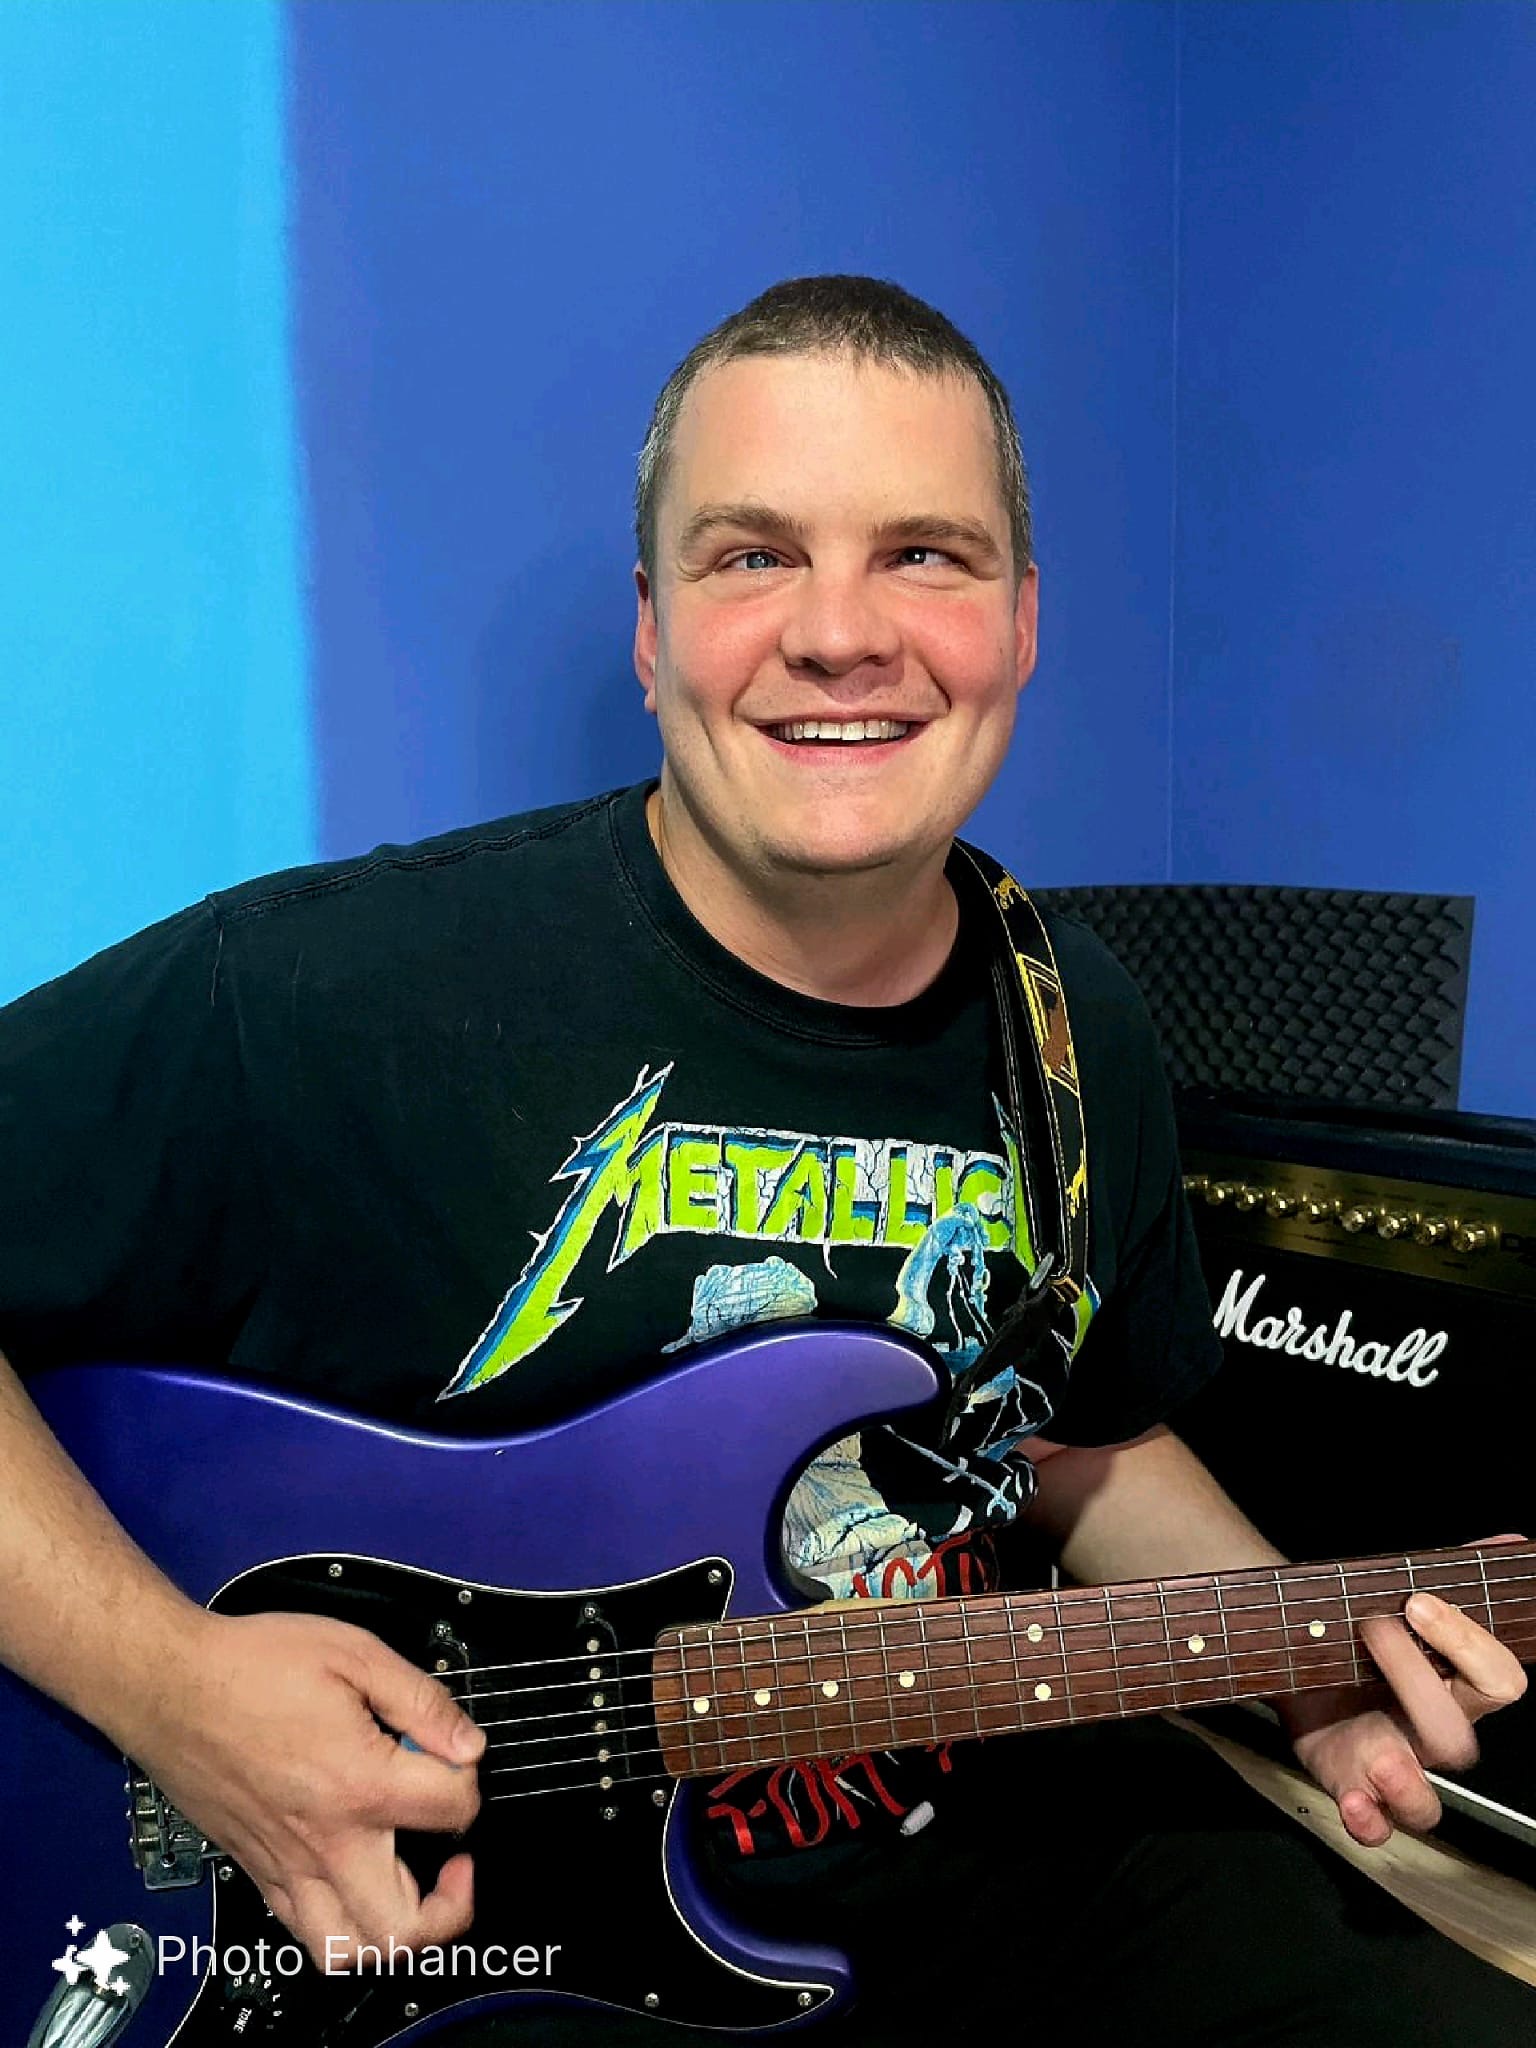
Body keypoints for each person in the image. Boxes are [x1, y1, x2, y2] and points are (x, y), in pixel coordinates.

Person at [0, 275, 1529, 2046]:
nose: (841, 633)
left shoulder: (1072, 1020)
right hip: (451, 1949)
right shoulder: (327, 989)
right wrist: (174, 1688)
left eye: (927, 556)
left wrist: (1295, 1663)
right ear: (652, 632)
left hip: (966, 1865)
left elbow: (1082, 1442)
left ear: (1022, 625)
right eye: (752, 557)